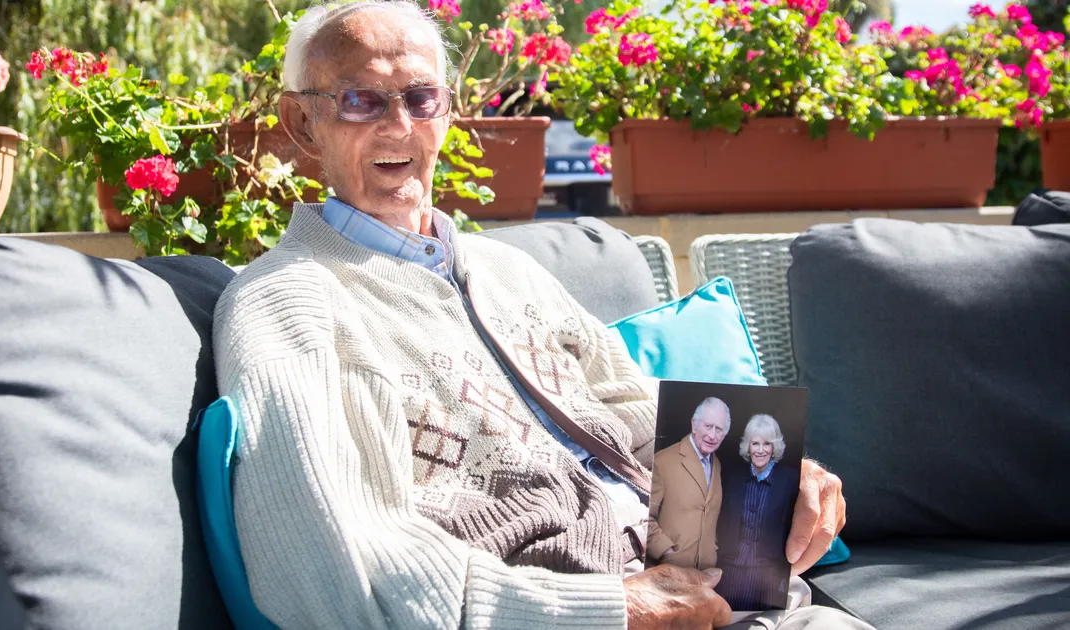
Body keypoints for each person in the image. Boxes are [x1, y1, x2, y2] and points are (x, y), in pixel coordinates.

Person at [212, 2, 861, 628]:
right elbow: (323, 556)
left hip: (723, 585)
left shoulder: (508, 271)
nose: (399, 125)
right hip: (579, 604)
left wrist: (776, 474)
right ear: (301, 124)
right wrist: (609, 611)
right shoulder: (288, 299)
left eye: (421, 97)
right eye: (362, 99)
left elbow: (637, 416)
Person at [716, 414, 800, 613]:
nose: (760, 450)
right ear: (748, 446)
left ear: (774, 447)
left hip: (768, 573)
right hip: (730, 569)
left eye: (767, 444)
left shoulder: (790, 479)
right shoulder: (731, 476)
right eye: (755, 443)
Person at [647, 397, 730, 571]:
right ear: (694, 424)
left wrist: (712, 547)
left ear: (725, 434)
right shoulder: (663, 460)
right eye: (708, 426)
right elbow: (644, 516)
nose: (712, 435)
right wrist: (665, 551)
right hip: (667, 571)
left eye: (719, 429)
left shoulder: (717, 465)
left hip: (706, 574)